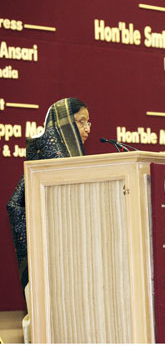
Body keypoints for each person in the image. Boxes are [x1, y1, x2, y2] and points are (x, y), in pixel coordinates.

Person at [6, 98, 90, 290]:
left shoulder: (73, 157)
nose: (87, 129)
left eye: (88, 122)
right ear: (65, 122)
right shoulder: (48, 155)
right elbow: (16, 204)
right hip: (51, 250)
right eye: (81, 121)